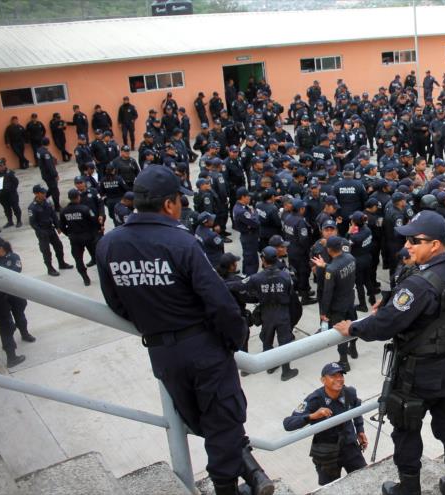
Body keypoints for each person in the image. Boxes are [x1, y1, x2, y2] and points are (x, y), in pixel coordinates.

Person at [95, 166, 275, 495]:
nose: (181, 207)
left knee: (202, 419)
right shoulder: (180, 242)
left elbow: (116, 303)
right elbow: (220, 303)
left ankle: (249, 467)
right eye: (180, 201)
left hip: (162, 352)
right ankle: (228, 486)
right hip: (201, 346)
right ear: (168, 204)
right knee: (224, 418)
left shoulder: (109, 244)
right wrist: (235, 341)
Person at [334, 211, 445, 495]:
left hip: (419, 373)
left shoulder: (420, 284)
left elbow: (385, 325)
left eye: (415, 240)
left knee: (406, 430)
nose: (407, 245)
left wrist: (353, 328)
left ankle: (409, 488)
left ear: (435, 245)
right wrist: (389, 301)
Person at [283, 362, 368, 484]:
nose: (339, 379)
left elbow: (357, 409)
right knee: (329, 488)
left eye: (341, 375)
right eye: (333, 376)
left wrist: (360, 431)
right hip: (326, 453)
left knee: (364, 479)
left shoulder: (350, 392)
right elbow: (288, 424)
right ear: (323, 380)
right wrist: (312, 416)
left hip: (350, 446)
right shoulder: (314, 399)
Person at [234, 247, 299, 381]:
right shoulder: (286, 276)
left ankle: (270, 365)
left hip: (266, 312)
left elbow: (239, 286)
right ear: (276, 259)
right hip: (282, 312)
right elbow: (290, 292)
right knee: (284, 342)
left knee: (267, 339)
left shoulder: (256, 278)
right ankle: (286, 371)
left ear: (263, 259)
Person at [319, 236, 359, 371]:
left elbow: (327, 292)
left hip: (338, 306)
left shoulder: (331, 270)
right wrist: (325, 265)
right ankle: (353, 349)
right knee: (352, 325)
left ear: (329, 250)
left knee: (341, 333)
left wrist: (324, 312)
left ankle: (343, 361)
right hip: (350, 299)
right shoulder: (351, 258)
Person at [0, 238, 28, 367]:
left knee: (19, 317)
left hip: (13, 297)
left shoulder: (12, 257)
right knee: (6, 328)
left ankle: (24, 333)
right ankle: (11, 357)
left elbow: (14, 274)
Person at [28, 184, 73, 276]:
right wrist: (41, 232)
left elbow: (53, 215)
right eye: (42, 193)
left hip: (50, 229)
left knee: (59, 247)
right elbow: (33, 223)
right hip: (42, 231)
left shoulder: (47, 202)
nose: (44, 194)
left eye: (44, 192)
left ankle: (62, 263)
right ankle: (50, 268)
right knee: (46, 251)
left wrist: (57, 226)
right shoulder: (32, 207)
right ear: (36, 194)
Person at [60, 188, 100, 286]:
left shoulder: (64, 211)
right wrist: (95, 233)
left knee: (78, 259)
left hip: (74, 238)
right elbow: (94, 222)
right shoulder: (85, 209)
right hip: (88, 237)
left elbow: (62, 227)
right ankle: (103, 274)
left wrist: (69, 234)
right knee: (97, 256)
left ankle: (85, 278)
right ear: (78, 197)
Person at [232, 187, 260, 276]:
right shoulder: (241, 211)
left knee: (248, 258)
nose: (250, 198)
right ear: (243, 197)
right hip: (249, 237)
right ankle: (250, 279)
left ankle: (246, 274)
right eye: (248, 196)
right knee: (251, 260)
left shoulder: (241, 207)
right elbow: (256, 223)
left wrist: (252, 213)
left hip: (248, 235)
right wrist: (254, 213)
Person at [0, 158, 22, 228]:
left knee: (15, 208)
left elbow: (16, 182)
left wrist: (12, 189)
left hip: (11, 194)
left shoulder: (9, 173)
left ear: (4, 165)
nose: (0, 167)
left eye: (1, 165)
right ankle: (10, 221)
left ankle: (19, 220)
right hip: (2, 196)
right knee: (6, 209)